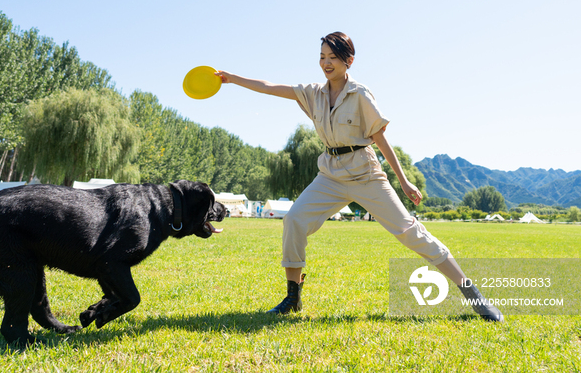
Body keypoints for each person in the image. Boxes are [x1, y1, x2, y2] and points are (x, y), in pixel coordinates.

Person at [215, 32, 502, 321]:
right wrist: (233, 78)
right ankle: (293, 296)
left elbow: (379, 137)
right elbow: (269, 87)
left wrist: (403, 181)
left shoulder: (361, 94)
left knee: (410, 231)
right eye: (322, 57)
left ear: (348, 61)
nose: (326, 63)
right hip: (330, 173)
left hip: (365, 173)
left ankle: (472, 293)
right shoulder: (313, 93)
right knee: (294, 219)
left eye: (333, 58)